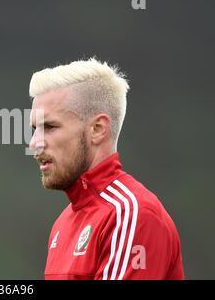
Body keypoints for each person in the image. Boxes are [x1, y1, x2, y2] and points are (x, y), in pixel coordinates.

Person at [29, 58, 184, 280]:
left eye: (50, 127)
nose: (34, 143)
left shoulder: (130, 215)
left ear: (98, 129)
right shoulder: (63, 224)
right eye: (35, 129)